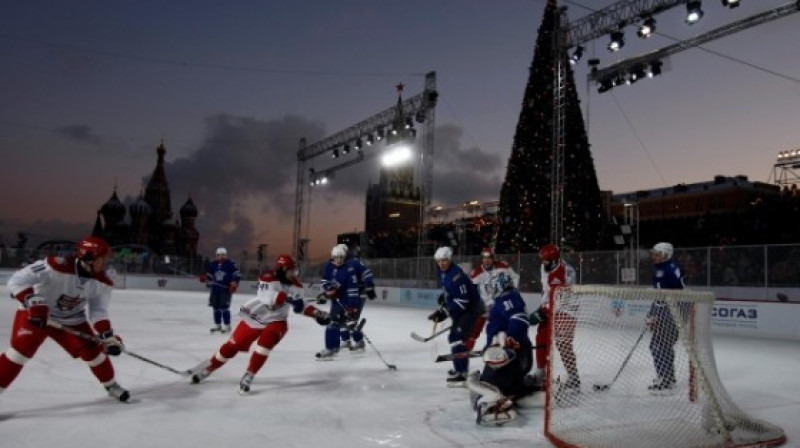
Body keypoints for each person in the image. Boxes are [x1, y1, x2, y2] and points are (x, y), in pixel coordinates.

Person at [0, 236, 130, 402]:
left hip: (71, 319)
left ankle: (111, 385)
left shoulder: (103, 282)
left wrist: (107, 336)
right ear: (89, 257)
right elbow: (17, 280)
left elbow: (98, 311)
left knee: (94, 354)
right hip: (36, 315)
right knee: (19, 352)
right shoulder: (56, 265)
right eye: (102, 259)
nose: (104, 263)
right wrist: (32, 300)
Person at [188, 254, 330, 394]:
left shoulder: (297, 286)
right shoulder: (268, 278)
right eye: (291, 270)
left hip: (277, 321)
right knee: (232, 346)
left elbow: (302, 306)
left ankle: (249, 374)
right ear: (282, 269)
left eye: (295, 270)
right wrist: (287, 297)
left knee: (265, 345)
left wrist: (316, 313)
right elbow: (267, 298)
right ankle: (209, 368)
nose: (294, 273)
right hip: (255, 317)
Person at [467, 272, 538, 425]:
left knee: (486, 386)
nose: (491, 291)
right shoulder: (505, 299)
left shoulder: (507, 298)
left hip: (513, 356)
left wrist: (511, 338)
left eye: (493, 287)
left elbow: (519, 318)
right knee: (490, 383)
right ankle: (512, 392)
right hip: (513, 355)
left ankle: (495, 405)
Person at [428, 246, 485, 387]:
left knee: (457, 338)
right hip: (462, 310)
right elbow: (451, 291)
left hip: (470, 310)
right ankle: (459, 370)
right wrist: (445, 297)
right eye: (439, 261)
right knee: (454, 338)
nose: (441, 263)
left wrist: (444, 312)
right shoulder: (443, 272)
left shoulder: (456, 275)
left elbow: (463, 300)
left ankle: (462, 373)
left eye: (444, 260)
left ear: (450, 259)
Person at [530, 243, 579, 394]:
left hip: (567, 309)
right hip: (549, 307)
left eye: (545, 260)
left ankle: (574, 377)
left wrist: (543, 311)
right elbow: (546, 292)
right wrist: (542, 308)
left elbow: (561, 299)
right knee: (541, 337)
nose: (543, 263)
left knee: (563, 343)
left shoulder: (566, 272)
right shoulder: (544, 267)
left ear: (554, 260)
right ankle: (541, 372)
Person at [315, 244, 375, 359]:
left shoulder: (350, 267)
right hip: (338, 296)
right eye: (336, 257)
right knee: (335, 321)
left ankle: (358, 341)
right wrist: (328, 291)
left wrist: (352, 307)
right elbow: (325, 280)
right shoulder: (329, 266)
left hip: (353, 296)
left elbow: (353, 290)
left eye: (342, 257)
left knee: (349, 321)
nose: (339, 260)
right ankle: (336, 345)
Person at [647, 242, 688, 393]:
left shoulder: (669, 270)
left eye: (657, 254)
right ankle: (666, 377)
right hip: (667, 311)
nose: (654, 257)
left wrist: (656, 315)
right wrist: (652, 314)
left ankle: (666, 379)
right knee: (660, 346)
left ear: (666, 255)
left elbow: (671, 297)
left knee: (660, 346)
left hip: (672, 312)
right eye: (654, 254)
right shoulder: (662, 269)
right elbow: (660, 296)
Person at [469, 246, 520, 314]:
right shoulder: (476, 273)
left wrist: (511, 290)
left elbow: (515, 277)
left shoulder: (503, 266)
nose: (486, 261)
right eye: (484, 258)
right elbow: (472, 292)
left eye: (489, 258)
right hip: (486, 308)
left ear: (493, 258)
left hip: (504, 303)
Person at [202, 247, 241, 334]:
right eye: (219, 255)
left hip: (225, 290)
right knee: (215, 308)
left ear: (226, 255)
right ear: (216, 255)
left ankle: (227, 325)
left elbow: (237, 275)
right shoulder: (213, 264)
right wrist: (205, 279)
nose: (221, 257)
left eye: (223, 255)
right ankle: (217, 325)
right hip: (215, 289)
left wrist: (234, 283)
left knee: (224, 308)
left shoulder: (231, 264)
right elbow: (209, 276)